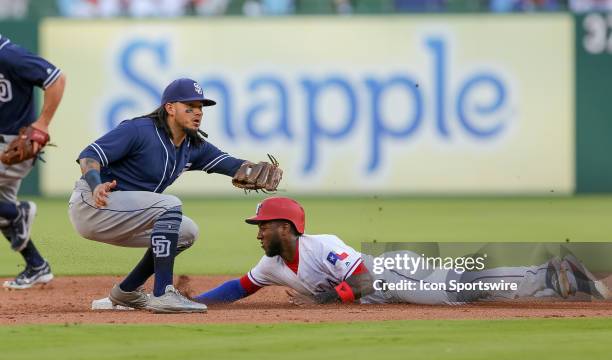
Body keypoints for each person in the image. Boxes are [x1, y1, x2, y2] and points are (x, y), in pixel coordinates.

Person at [69, 77, 281, 313]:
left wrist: (252, 169)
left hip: (124, 213)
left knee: (185, 231)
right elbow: (89, 154)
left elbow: (229, 163)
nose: (197, 113)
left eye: (200, 107)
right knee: (170, 204)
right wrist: (96, 183)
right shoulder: (139, 130)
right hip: (93, 204)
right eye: (189, 107)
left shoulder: (192, 146)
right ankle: (162, 294)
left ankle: (125, 293)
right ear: (170, 108)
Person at [193, 197, 610, 306]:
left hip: (393, 273)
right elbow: (237, 287)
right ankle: (557, 280)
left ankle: (548, 274)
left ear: (286, 227)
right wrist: (198, 302)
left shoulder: (323, 245)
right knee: (466, 290)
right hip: (383, 286)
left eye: (263, 224)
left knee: (459, 290)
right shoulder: (272, 265)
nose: (259, 231)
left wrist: (327, 300)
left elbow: (365, 280)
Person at [0, 34, 66, 289]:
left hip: (14, 145)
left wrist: (42, 123)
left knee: (8, 213)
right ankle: (37, 265)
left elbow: (56, 78)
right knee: (2, 212)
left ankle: (19, 213)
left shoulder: (9, 55)